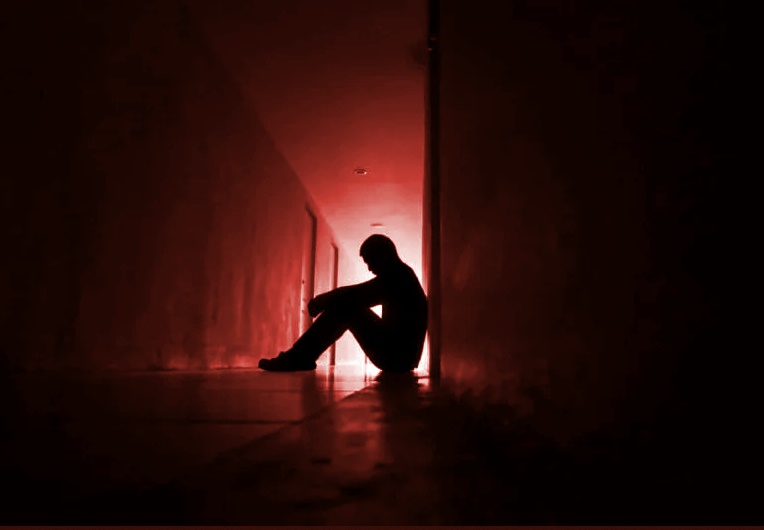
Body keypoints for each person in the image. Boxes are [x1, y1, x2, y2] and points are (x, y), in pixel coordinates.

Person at [258, 234, 427, 373]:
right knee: (345, 304)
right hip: (399, 356)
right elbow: (361, 293)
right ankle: (300, 357)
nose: (369, 268)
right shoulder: (401, 275)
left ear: (383, 254)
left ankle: (298, 357)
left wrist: (323, 300)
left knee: (345, 306)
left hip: (397, 358)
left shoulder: (399, 277)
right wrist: (329, 298)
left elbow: (359, 294)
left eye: (370, 261)